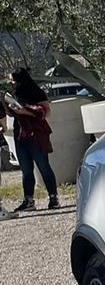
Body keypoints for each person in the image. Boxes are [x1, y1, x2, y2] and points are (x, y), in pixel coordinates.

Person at [6, 68, 58, 212]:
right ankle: (28, 200)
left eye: (13, 80)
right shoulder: (16, 94)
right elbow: (14, 114)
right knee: (26, 170)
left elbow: (45, 112)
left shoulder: (36, 92)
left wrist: (25, 110)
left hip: (36, 135)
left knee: (44, 167)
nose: (12, 83)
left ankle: (53, 197)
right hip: (21, 135)